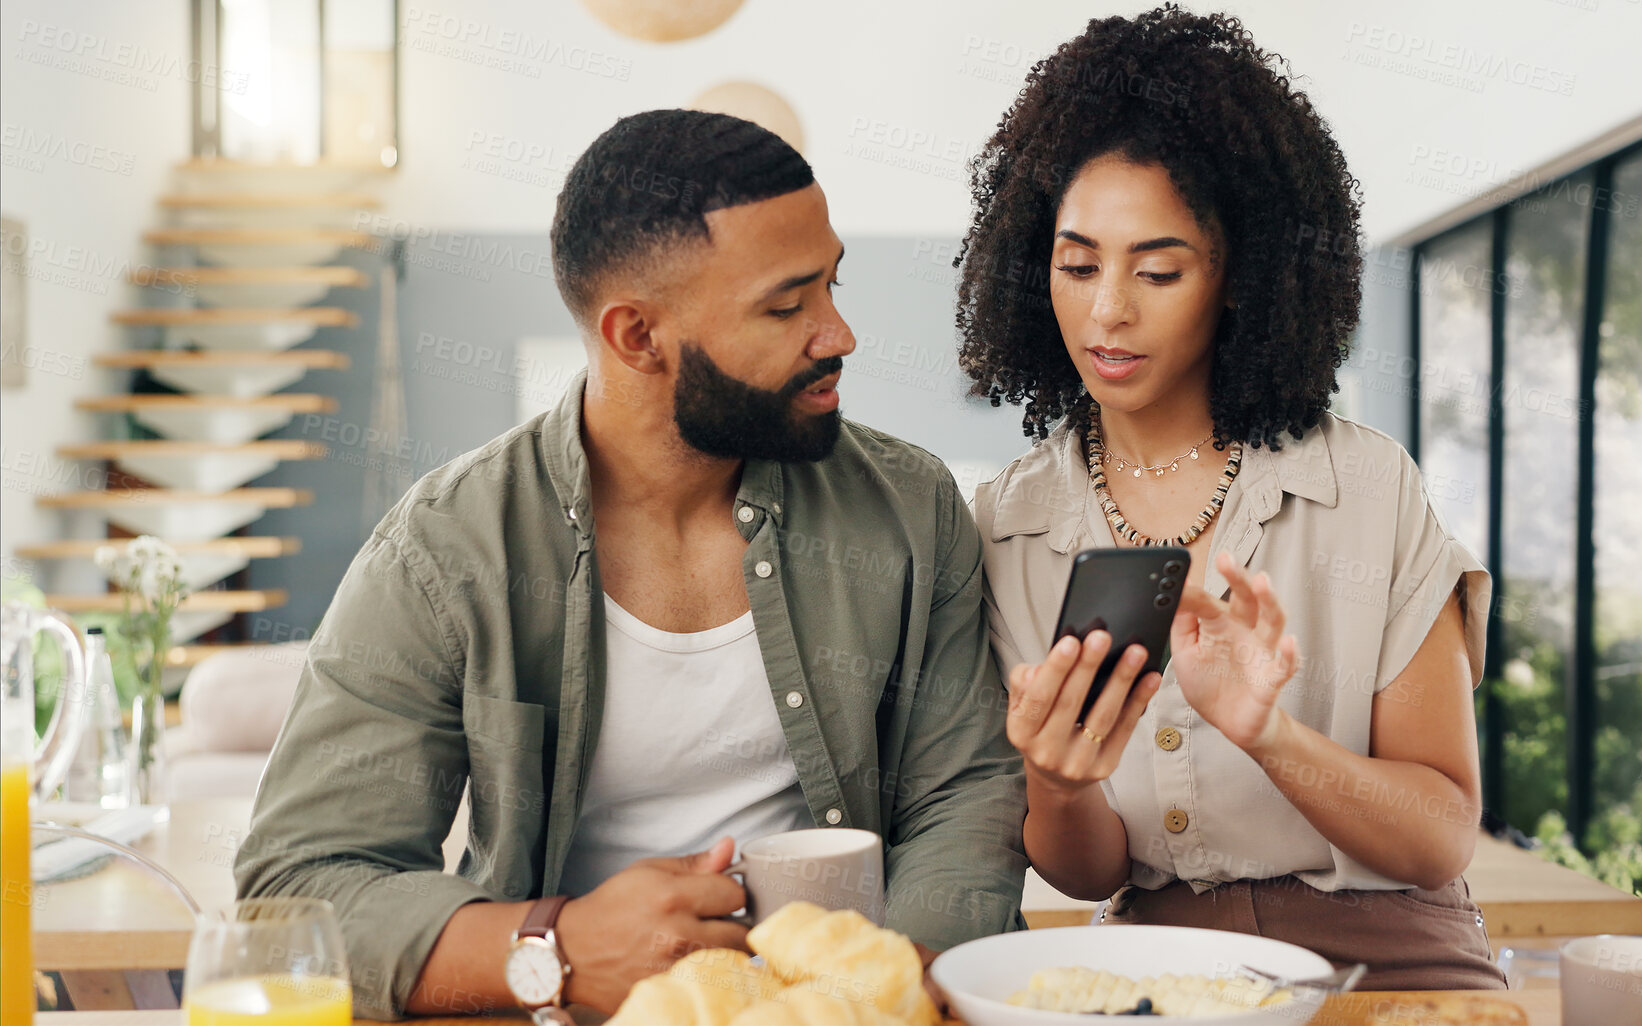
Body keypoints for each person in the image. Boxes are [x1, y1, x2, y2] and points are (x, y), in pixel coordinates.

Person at [236, 110, 1027, 1020]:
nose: (838, 333)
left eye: (831, 285)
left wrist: (896, 989)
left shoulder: (909, 507)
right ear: (637, 337)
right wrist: (555, 948)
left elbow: (967, 790)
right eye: (786, 306)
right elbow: (298, 887)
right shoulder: (446, 553)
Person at [959, 6, 1505, 990]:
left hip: (1394, 957)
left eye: (1156, 270)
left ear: (1241, 279)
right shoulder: (1008, 524)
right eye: (1076, 264)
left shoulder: (1363, 488)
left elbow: (1437, 840)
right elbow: (1090, 871)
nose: (1106, 310)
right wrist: (1054, 776)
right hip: (1158, 964)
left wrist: (1269, 734)